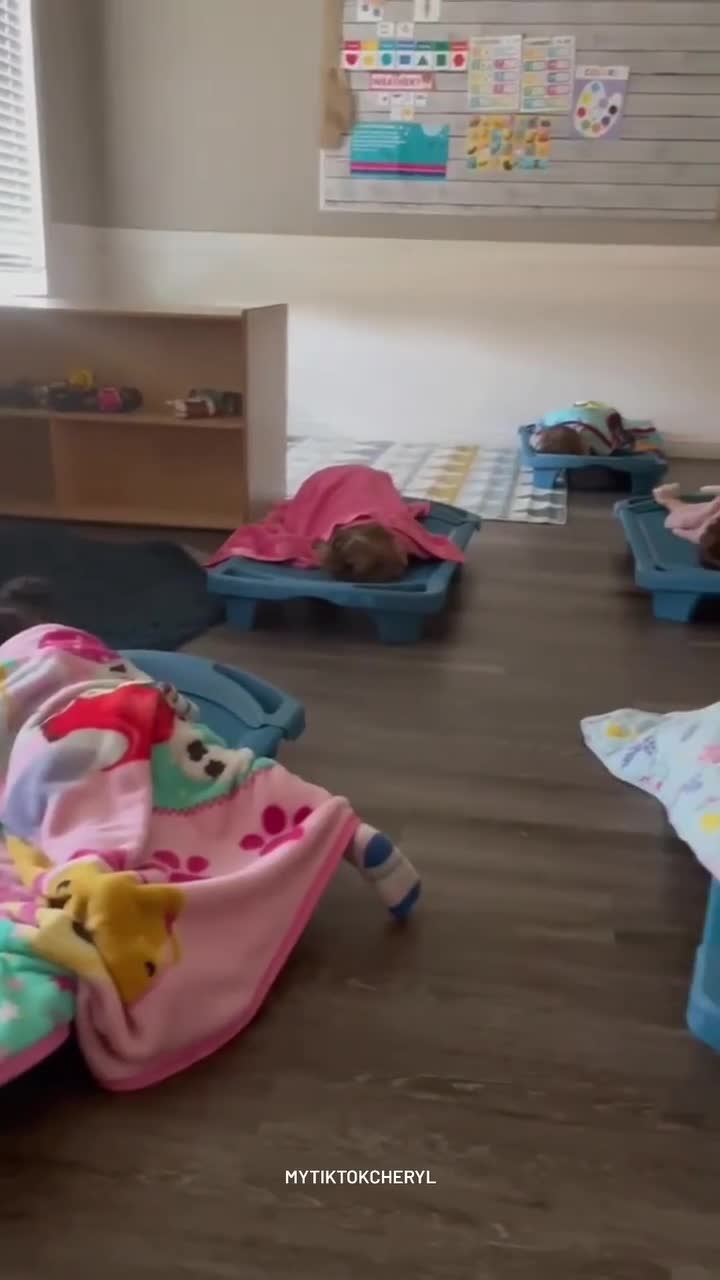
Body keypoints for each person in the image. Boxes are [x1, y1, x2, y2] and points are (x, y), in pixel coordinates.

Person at [207, 465, 465, 582]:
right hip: (328, 485)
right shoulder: (327, 548)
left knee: (369, 488)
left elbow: (418, 538)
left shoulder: (396, 530)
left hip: (356, 481)